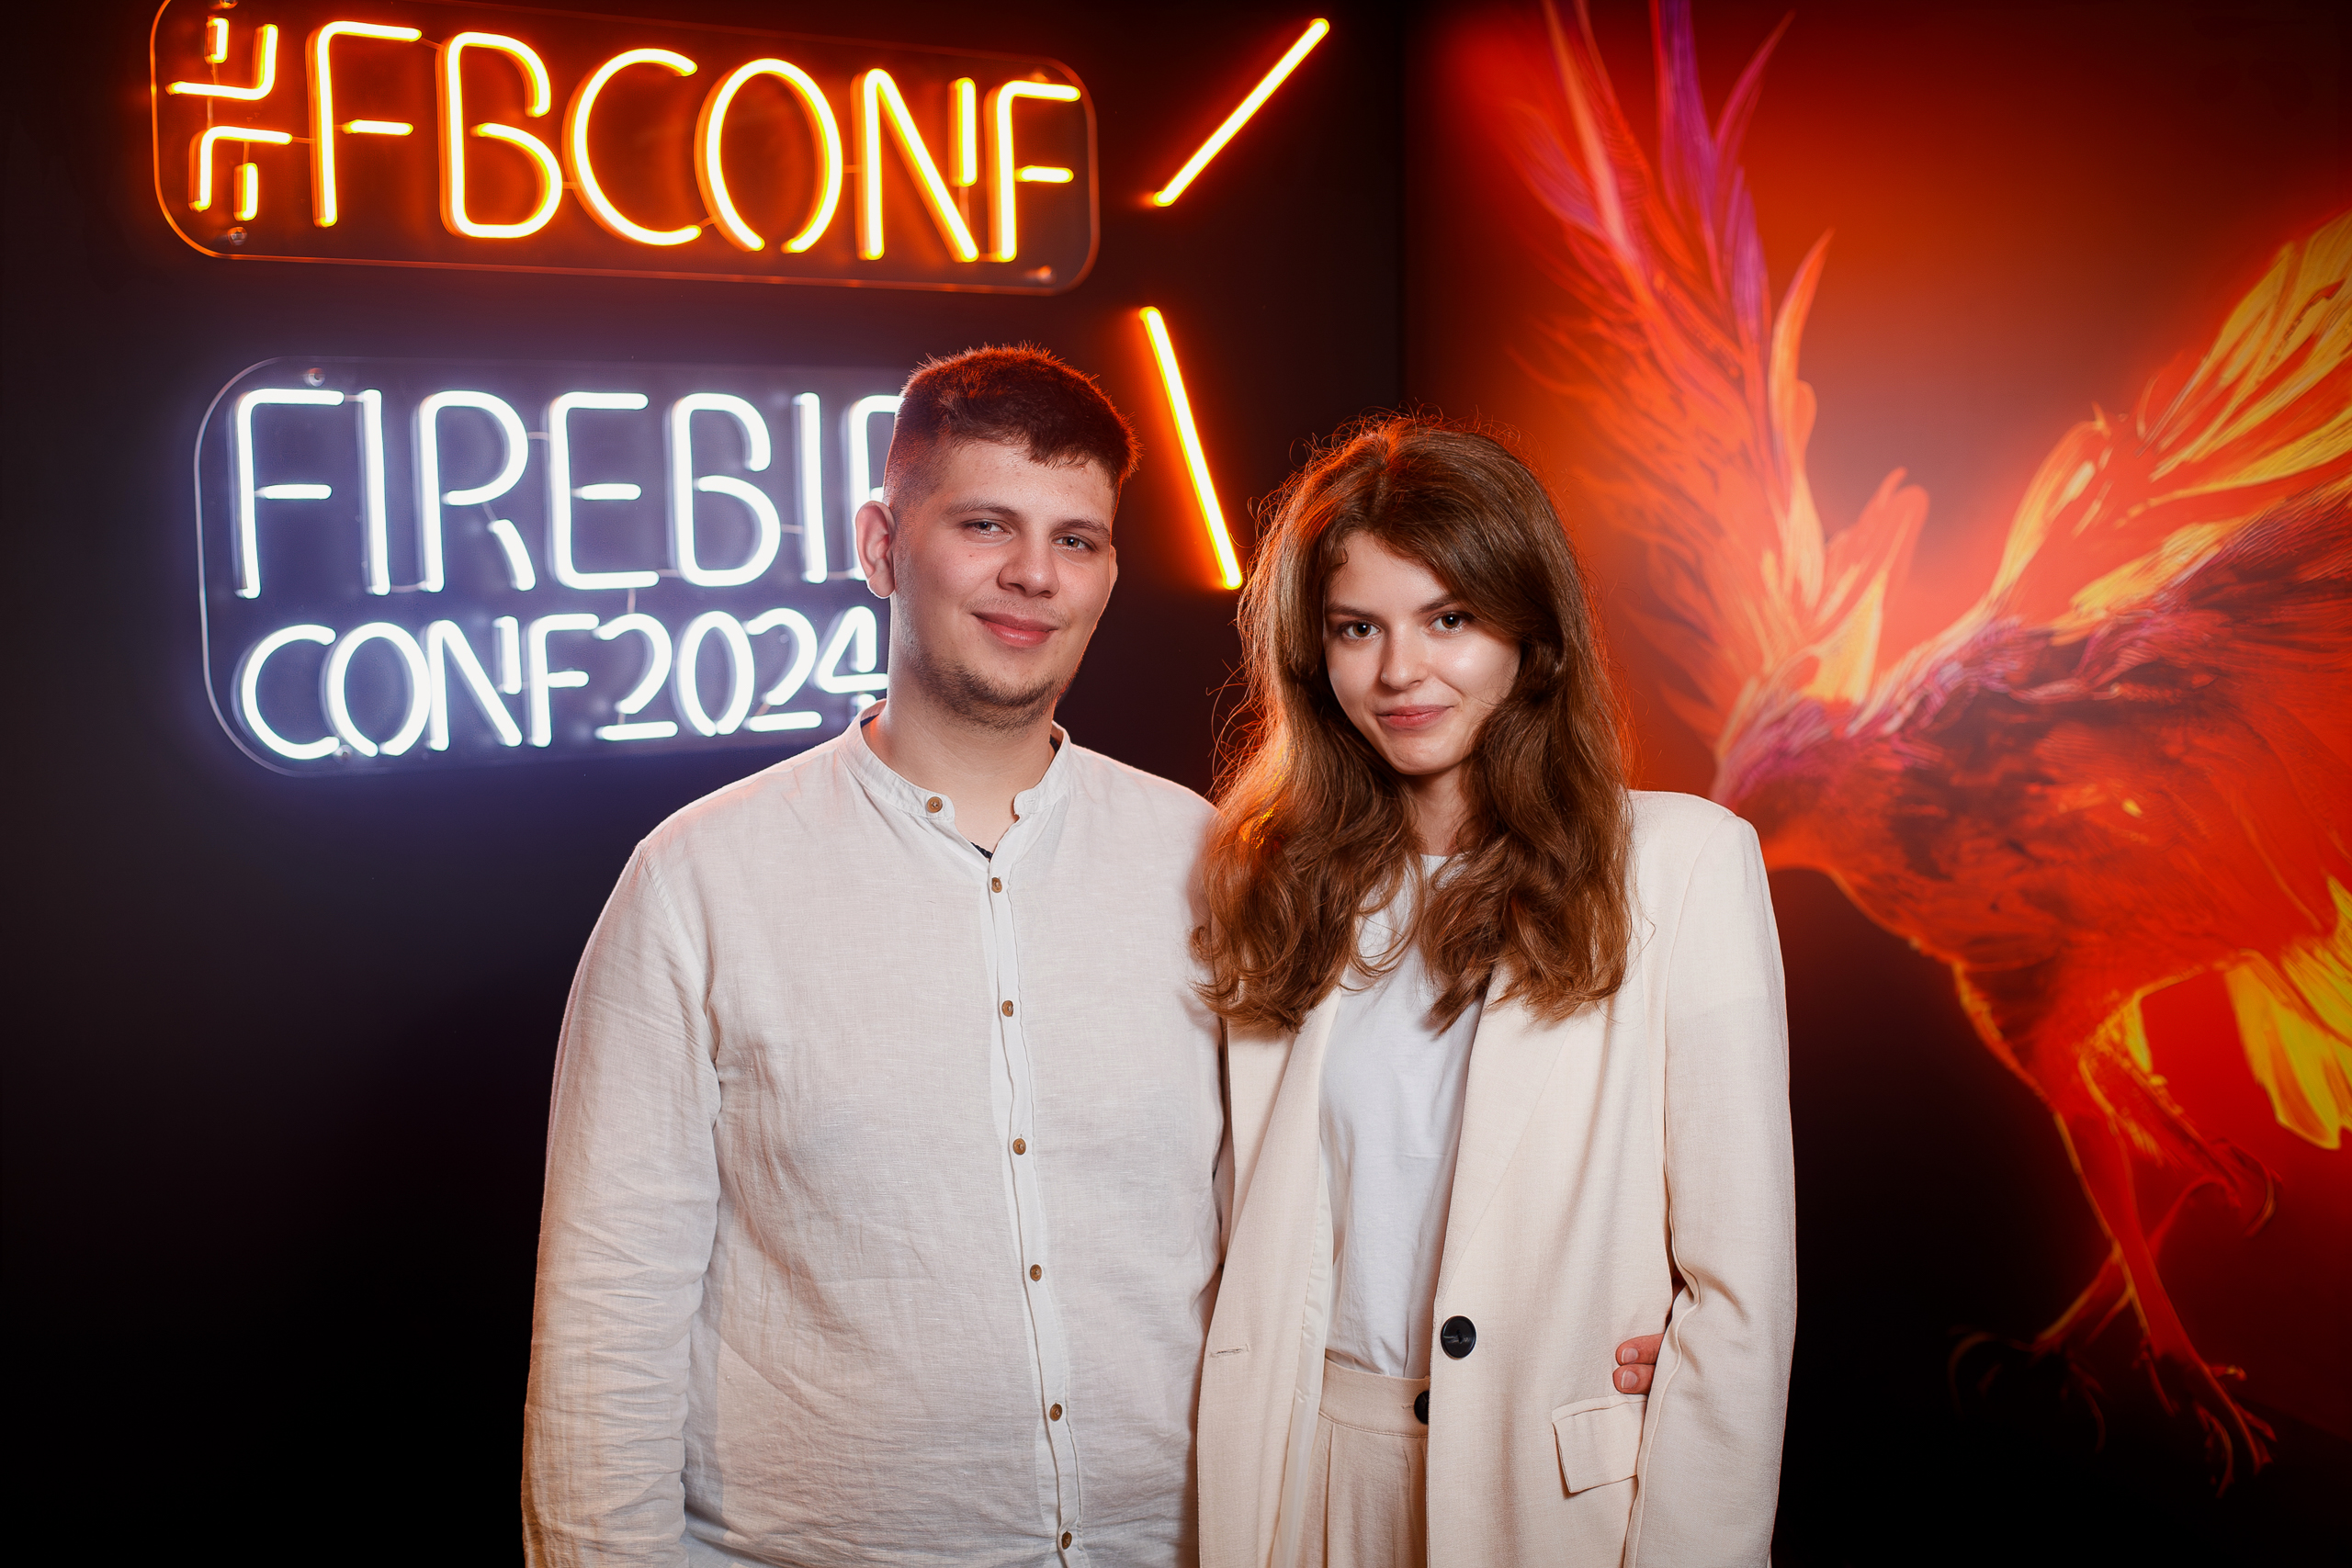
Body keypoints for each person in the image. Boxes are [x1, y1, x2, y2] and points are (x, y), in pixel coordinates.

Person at [521, 350, 1667, 1566]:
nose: (1034, 573)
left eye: (1076, 539)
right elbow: (606, 1314)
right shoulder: (698, 883)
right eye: (985, 524)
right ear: (881, 545)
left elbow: (1350, 1179)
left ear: (1109, 573)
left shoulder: (1216, 860)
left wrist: (1582, 1328)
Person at [1192, 418, 1795, 1565]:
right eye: (1356, 627)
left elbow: (1739, 1292)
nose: (1398, 672)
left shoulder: (1682, 864)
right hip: (1307, 1472)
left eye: (1449, 619)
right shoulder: (1270, 883)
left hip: (1551, 1493)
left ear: (1531, 634)